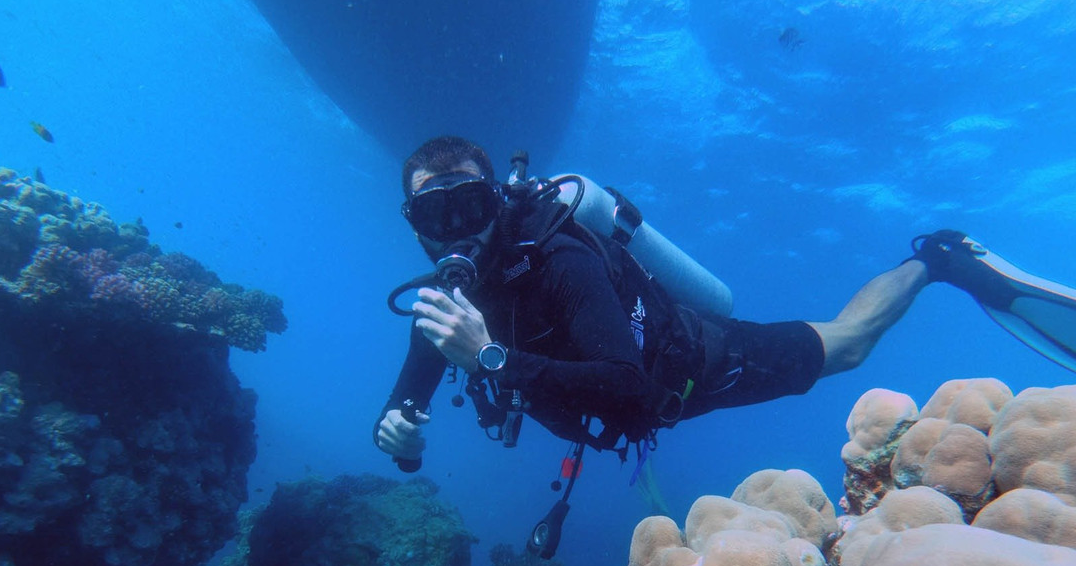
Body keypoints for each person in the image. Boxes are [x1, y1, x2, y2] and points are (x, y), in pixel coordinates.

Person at [374, 135, 1076, 470]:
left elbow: (629, 391)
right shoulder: (448, 300)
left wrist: (492, 356)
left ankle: (938, 261)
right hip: (634, 375)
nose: (455, 232)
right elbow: (405, 407)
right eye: (432, 218)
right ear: (413, 226)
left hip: (694, 362)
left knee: (849, 343)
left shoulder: (559, 258)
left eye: (467, 205)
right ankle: (937, 262)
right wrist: (401, 438)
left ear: (497, 202)